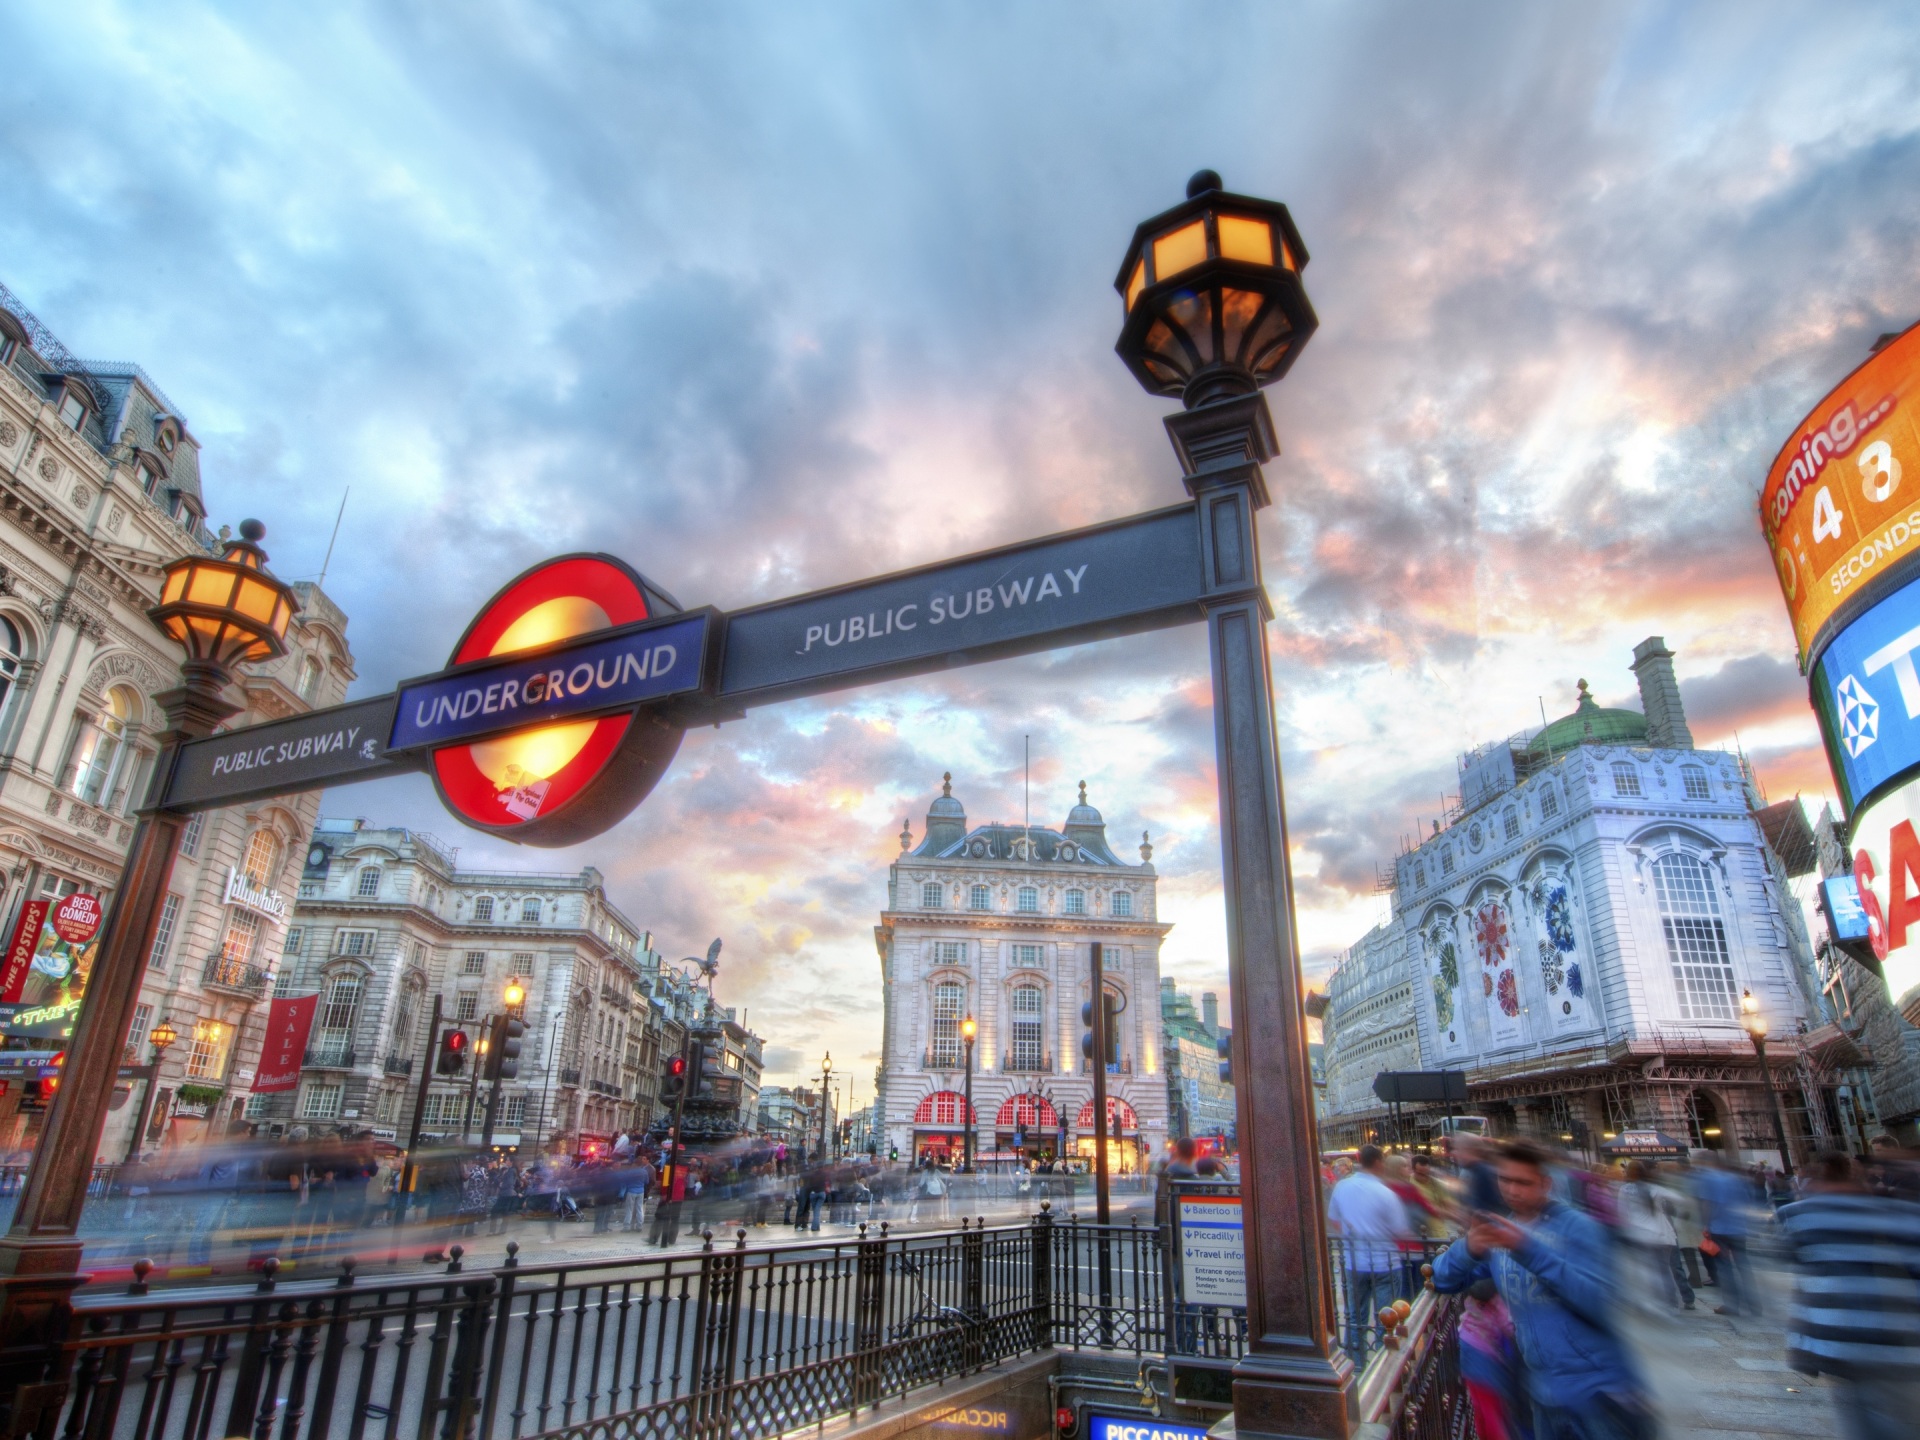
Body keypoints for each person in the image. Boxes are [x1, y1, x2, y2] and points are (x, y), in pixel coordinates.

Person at [1433, 1140, 1651, 1440]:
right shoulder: (1503, 1234)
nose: (1512, 1190)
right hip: (1543, 1395)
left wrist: (1528, 1250)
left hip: (1599, 1395)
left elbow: (1600, 1303)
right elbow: (1442, 1279)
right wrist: (1468, 1248)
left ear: (1545, 1184)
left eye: (1523, 1182)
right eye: (1505, 1180)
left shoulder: (1579, 1228)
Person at [1777, 1150, 1920, 1440]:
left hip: (1836, 1334)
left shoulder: (1798, 1214)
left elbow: (1791, 1258)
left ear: (1819, 1176)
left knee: (1863, 1411)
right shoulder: (1895, 1212)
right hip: (1898, 1335)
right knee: (1885, 1411)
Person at [1326, 1144, 1411, 1356]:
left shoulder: (1342, 1187)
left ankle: (1355, 1365)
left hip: (1354, 1262)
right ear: (1378, 1162)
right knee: (1387, 1320)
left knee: (1355, 1318)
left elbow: (1334, 1220)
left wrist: (1352, 1232)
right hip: (1385, 1264)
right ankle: (1385, 1365)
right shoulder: (1385, 1193)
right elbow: (1400, 1230)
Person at [1615, 1160, 1692, 1312]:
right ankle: (1671, 1302)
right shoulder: (1654, 1188)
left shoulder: (1624, 1189)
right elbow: (1681, 1199)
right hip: (1660, 1234)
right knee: (1664, 1270)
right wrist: (1681, 1213)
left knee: (1645, 1271)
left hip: (1638, 1235)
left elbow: (1621, 1213)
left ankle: (1652, 1301)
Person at [1458, 1277, 1528, 1440]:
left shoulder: (1473, 1296)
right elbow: (1508, 1326)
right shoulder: (1497, 1297)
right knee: (1493, 1410)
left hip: (1466, 1345)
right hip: (1483, 1355)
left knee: (1481, 1408)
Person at [1694, 1154, 1759, 1317]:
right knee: (1744, 1266)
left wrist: (1705, 1223)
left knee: (1724, 1268)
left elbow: (1707, 1203)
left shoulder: (1708, 1177)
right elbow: (1746, 1201)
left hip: (1719, 1228)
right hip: (1738, 1228)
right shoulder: (1736, 1178)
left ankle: (1732, 1304)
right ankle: (1754, 1304)